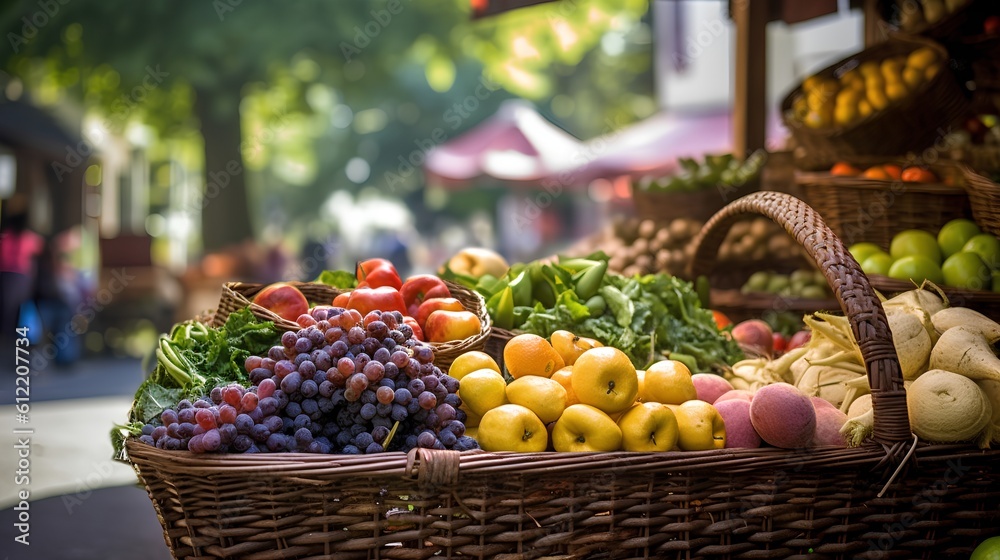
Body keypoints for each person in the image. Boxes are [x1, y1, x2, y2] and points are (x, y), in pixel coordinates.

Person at [1, 200, 44, 353]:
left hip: (6, 280)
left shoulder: (5, 238)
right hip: (23, 281)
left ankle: (9, 348)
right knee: (22, 315)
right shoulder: (30, 239)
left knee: (8, 317)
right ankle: (22, 350)